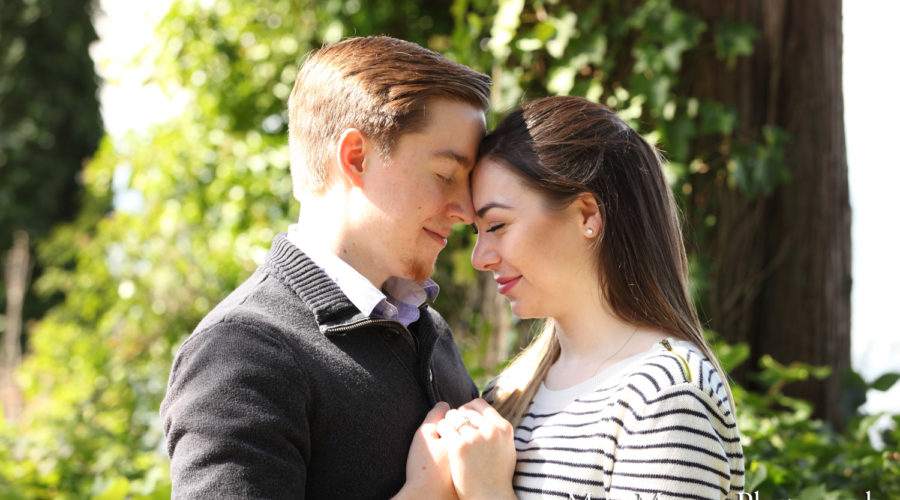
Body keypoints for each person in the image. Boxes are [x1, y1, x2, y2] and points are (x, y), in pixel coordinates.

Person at [159, 36, 491, 499]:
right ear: (356, 157)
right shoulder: (241, 355)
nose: (466, 210)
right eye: (444, 175)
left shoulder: (428, 330)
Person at [431, 96, 745, 499]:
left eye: (497, 225)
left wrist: (489, 492)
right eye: (477, 232)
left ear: (586, 215)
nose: (481, 258)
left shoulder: (663, 397)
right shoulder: (507, 393)